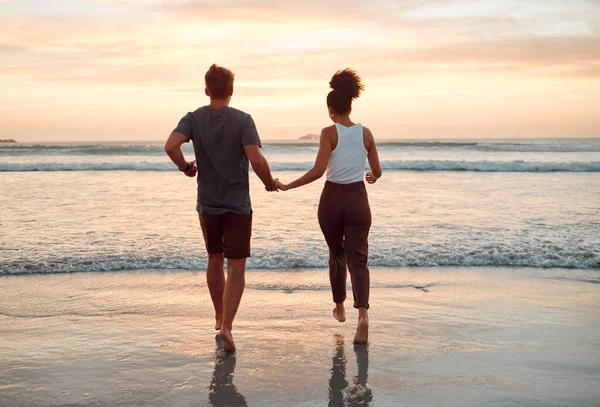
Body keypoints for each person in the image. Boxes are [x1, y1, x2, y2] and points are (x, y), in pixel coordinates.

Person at [165, 64, 278, 352]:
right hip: (237, 205)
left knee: (214, 257)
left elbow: (170, 146)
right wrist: (268, 182)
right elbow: (255, 159)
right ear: (231, 91)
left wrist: (186, 167)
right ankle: (227, 326)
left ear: (207, 90)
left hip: (208, 203)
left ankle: (218, 315)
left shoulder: (193, 118)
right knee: (237, 265)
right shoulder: (243, 120)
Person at [276, 69, 382, 343]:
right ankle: (363, 316)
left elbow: (317, 172)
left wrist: (288, 185)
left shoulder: (328, 133)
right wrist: (371, 176)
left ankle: (339, 307)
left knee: (337, 255)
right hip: (358, 200)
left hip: (332, 201)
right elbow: (377, 171)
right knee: (358, 259)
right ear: (350, 104)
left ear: (331, 108)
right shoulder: (366, 133)